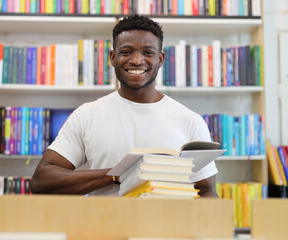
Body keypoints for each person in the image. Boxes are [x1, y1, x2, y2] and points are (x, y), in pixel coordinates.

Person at [31, 14, 218, 198]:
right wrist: (120, 173)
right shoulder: (87, 115)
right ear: (112, 57)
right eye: (126, 52)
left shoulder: (191, 121)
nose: (137, 60)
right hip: (104, 227)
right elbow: (41, 181)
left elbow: (206, 190)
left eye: (148, 52)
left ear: (160, 59)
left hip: (169, 228)